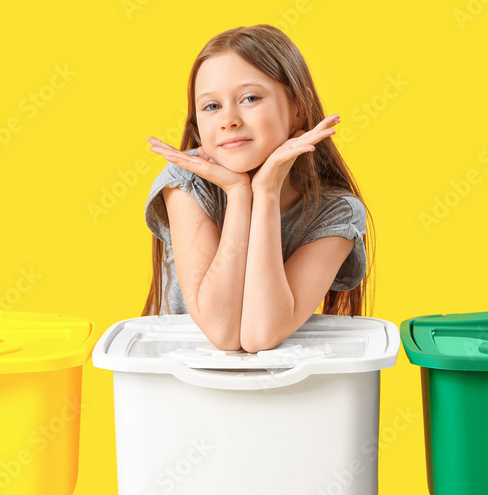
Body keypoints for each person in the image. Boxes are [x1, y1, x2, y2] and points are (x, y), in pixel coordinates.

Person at [143, 24, 375, 352]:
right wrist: (239, 194)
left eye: (250, 98)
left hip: (284, 392)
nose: (229, 120)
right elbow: (222, 333)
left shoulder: (336, 213)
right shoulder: (187, 182)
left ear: (298, 108)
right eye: (212, 106)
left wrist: (264, 193)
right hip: (185, 386)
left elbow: (260, 335)